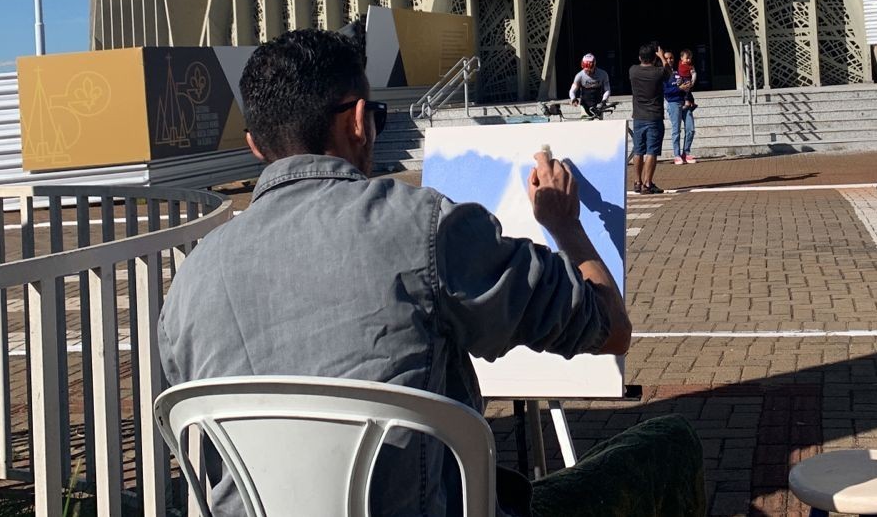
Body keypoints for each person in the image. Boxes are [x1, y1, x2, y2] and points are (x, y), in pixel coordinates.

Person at [159, 29, 705, 517]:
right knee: (670, 443)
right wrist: (565, 227)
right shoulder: (421, 226)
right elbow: (610, 329)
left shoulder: (188, 286)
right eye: (377, 117)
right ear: (357, 123)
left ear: (256, 146)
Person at [628, 42, 672, 194]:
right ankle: (648, 183)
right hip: (654, 116)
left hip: (638, 116)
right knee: (651, 151)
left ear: (640, 57)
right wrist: (662, 57)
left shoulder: (633, 71)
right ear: (654, 58)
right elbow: (669, 72)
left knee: (639, 150)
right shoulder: (658, 72)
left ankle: (637, 181)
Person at [661, 50, 696, 166]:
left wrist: (688, 86)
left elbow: (687, 80)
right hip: (673, 103)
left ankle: (686, 152)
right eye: (666, 58)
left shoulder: (678, 71)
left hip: (685, 102)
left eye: (671, 58)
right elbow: (665, 92)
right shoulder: (662, 74)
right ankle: (677, 155)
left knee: (690, 128)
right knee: (676, 130)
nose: (669, 60)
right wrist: (679, 88)